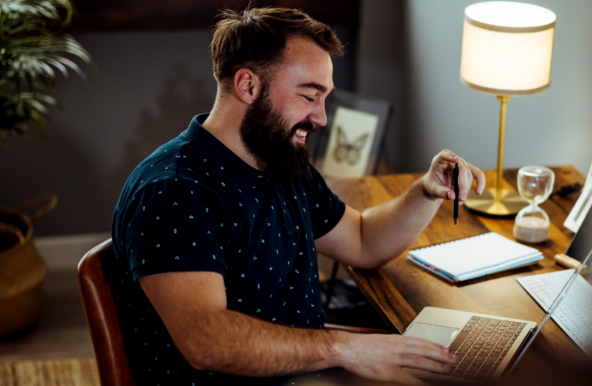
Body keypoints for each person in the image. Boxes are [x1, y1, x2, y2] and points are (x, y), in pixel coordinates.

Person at [110, 6, 485, 386]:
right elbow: (207, 341)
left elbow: (362, 240)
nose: (321, 118)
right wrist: (344, 348)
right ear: (248, 85)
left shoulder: (279, 161)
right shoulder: (175, 191)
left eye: (324, 98)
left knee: (468, 371)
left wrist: (427, 191)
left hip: (308, 370)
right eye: (309, 96)